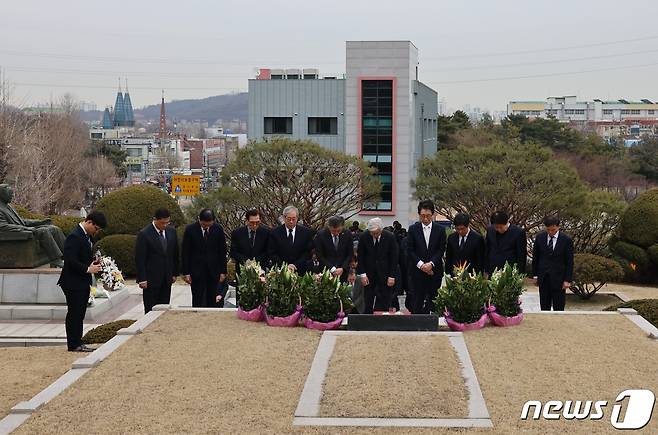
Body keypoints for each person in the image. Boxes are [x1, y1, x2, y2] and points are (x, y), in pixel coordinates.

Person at [57, 211, 107, 352]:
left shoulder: (86, 236)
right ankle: (73, 344)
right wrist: (87, 269)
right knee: (74, 313)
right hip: (72, 281)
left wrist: (95, 263)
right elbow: (70, 259)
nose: (96, 232)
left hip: (81, 280)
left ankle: (78, 341)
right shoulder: (75, 236)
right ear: (89, 222)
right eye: (96, 228)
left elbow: (82, 256)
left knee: (79, 313)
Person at [0, 184, 66, 267]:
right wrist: (25, 229)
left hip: (23, 229)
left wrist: (40, 222)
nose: (12, 196)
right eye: (10, 194)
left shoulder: (8, 206)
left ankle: (70, 256)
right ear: (2, 195)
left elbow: (21, 221)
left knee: (53, 228)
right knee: (43, 231)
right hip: (16, 234)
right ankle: (56, 259)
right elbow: (3, 226)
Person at [135, 208, 179, 313]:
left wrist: (174, 273)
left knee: (164, 307)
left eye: (167, 223)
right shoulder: (144, 234)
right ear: (155, 219)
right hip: (151, 279)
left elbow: (175, 254)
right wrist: (142, 278)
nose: (165, 225)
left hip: (167, 277)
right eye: (162, 223)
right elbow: (140, 258)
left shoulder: (171, 232)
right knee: (151, 308)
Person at [406, 200, 447, 314]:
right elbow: (410, 250)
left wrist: (431, 264)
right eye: (422, 216)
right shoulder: (413, 229)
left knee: (434, 299)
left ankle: (433, 323)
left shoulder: (440, 230)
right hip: (417, 271)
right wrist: (421, 265)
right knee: (417, 299)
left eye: (428, 216)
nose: (425, 219)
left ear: (433, 214)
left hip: (434, 270)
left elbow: (441, 249)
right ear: (419, 215)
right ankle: (417, 324)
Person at [181, 209, 228, 308]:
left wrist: (223, 271)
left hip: (213, 270)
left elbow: (222, 251)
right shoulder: (190, 230)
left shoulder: (218, 229)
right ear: (199, 220)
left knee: (212, 298)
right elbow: (185, 252)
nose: (207, 226)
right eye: (204, 224)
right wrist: (186, 272)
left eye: (209, 224)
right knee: (197, 298)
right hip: (196, 271)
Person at [356, 218, 399, 314]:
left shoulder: (390, 237)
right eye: (372, 233)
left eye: (376, 232)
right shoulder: (364, 236)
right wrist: (362, 274)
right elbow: (361, 256)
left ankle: (382, 321)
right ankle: (367, 321)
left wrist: (391, 276)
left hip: (385, 273)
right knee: (367, 299)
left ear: (381, 229)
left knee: (385, 299)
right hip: (368, 274)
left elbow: (394, 258)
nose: (374, 235)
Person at [532, 216, 574, 311]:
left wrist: (567, 279)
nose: (551, 232)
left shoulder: (566, 240)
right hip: (543, 277)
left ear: (558, 227)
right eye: (548, 230)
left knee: (559, 307)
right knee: (544, 306)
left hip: (559, 278)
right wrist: (535, 275)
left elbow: (569, 261)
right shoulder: (540, 237)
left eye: (553, 230)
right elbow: (536, 258)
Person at [268, 206, 314, 274]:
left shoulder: (306, 232)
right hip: (281, 270)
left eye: (293, 219)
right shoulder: (275, 232)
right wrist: (285, 266)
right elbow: (272, 253)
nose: (291, 221)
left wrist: (295, 265)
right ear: (284, 218)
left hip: (300, 270)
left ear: (297, 218)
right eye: (289, 219)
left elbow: (307, 252)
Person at [484, 211, 527, 276]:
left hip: (509, 272)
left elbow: (521, 255)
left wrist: (520, 274)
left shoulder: (518, 232)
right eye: (496, 227)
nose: (498, 229)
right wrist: (486, 269)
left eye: (501, 227)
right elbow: (487, 249)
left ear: (507, 222)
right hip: (492, 270)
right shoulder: (490, 230)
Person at [314, 215, 353, 282]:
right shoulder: (320, 235)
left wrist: (343, 268)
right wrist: (332, 268)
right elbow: (319, 255)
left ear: (342, 226)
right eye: (333, 231)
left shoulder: (347, 234)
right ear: (329, 227)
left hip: (342, 273)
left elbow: (350, 254)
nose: (336, 233)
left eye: (338, 231)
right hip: (326, 272)